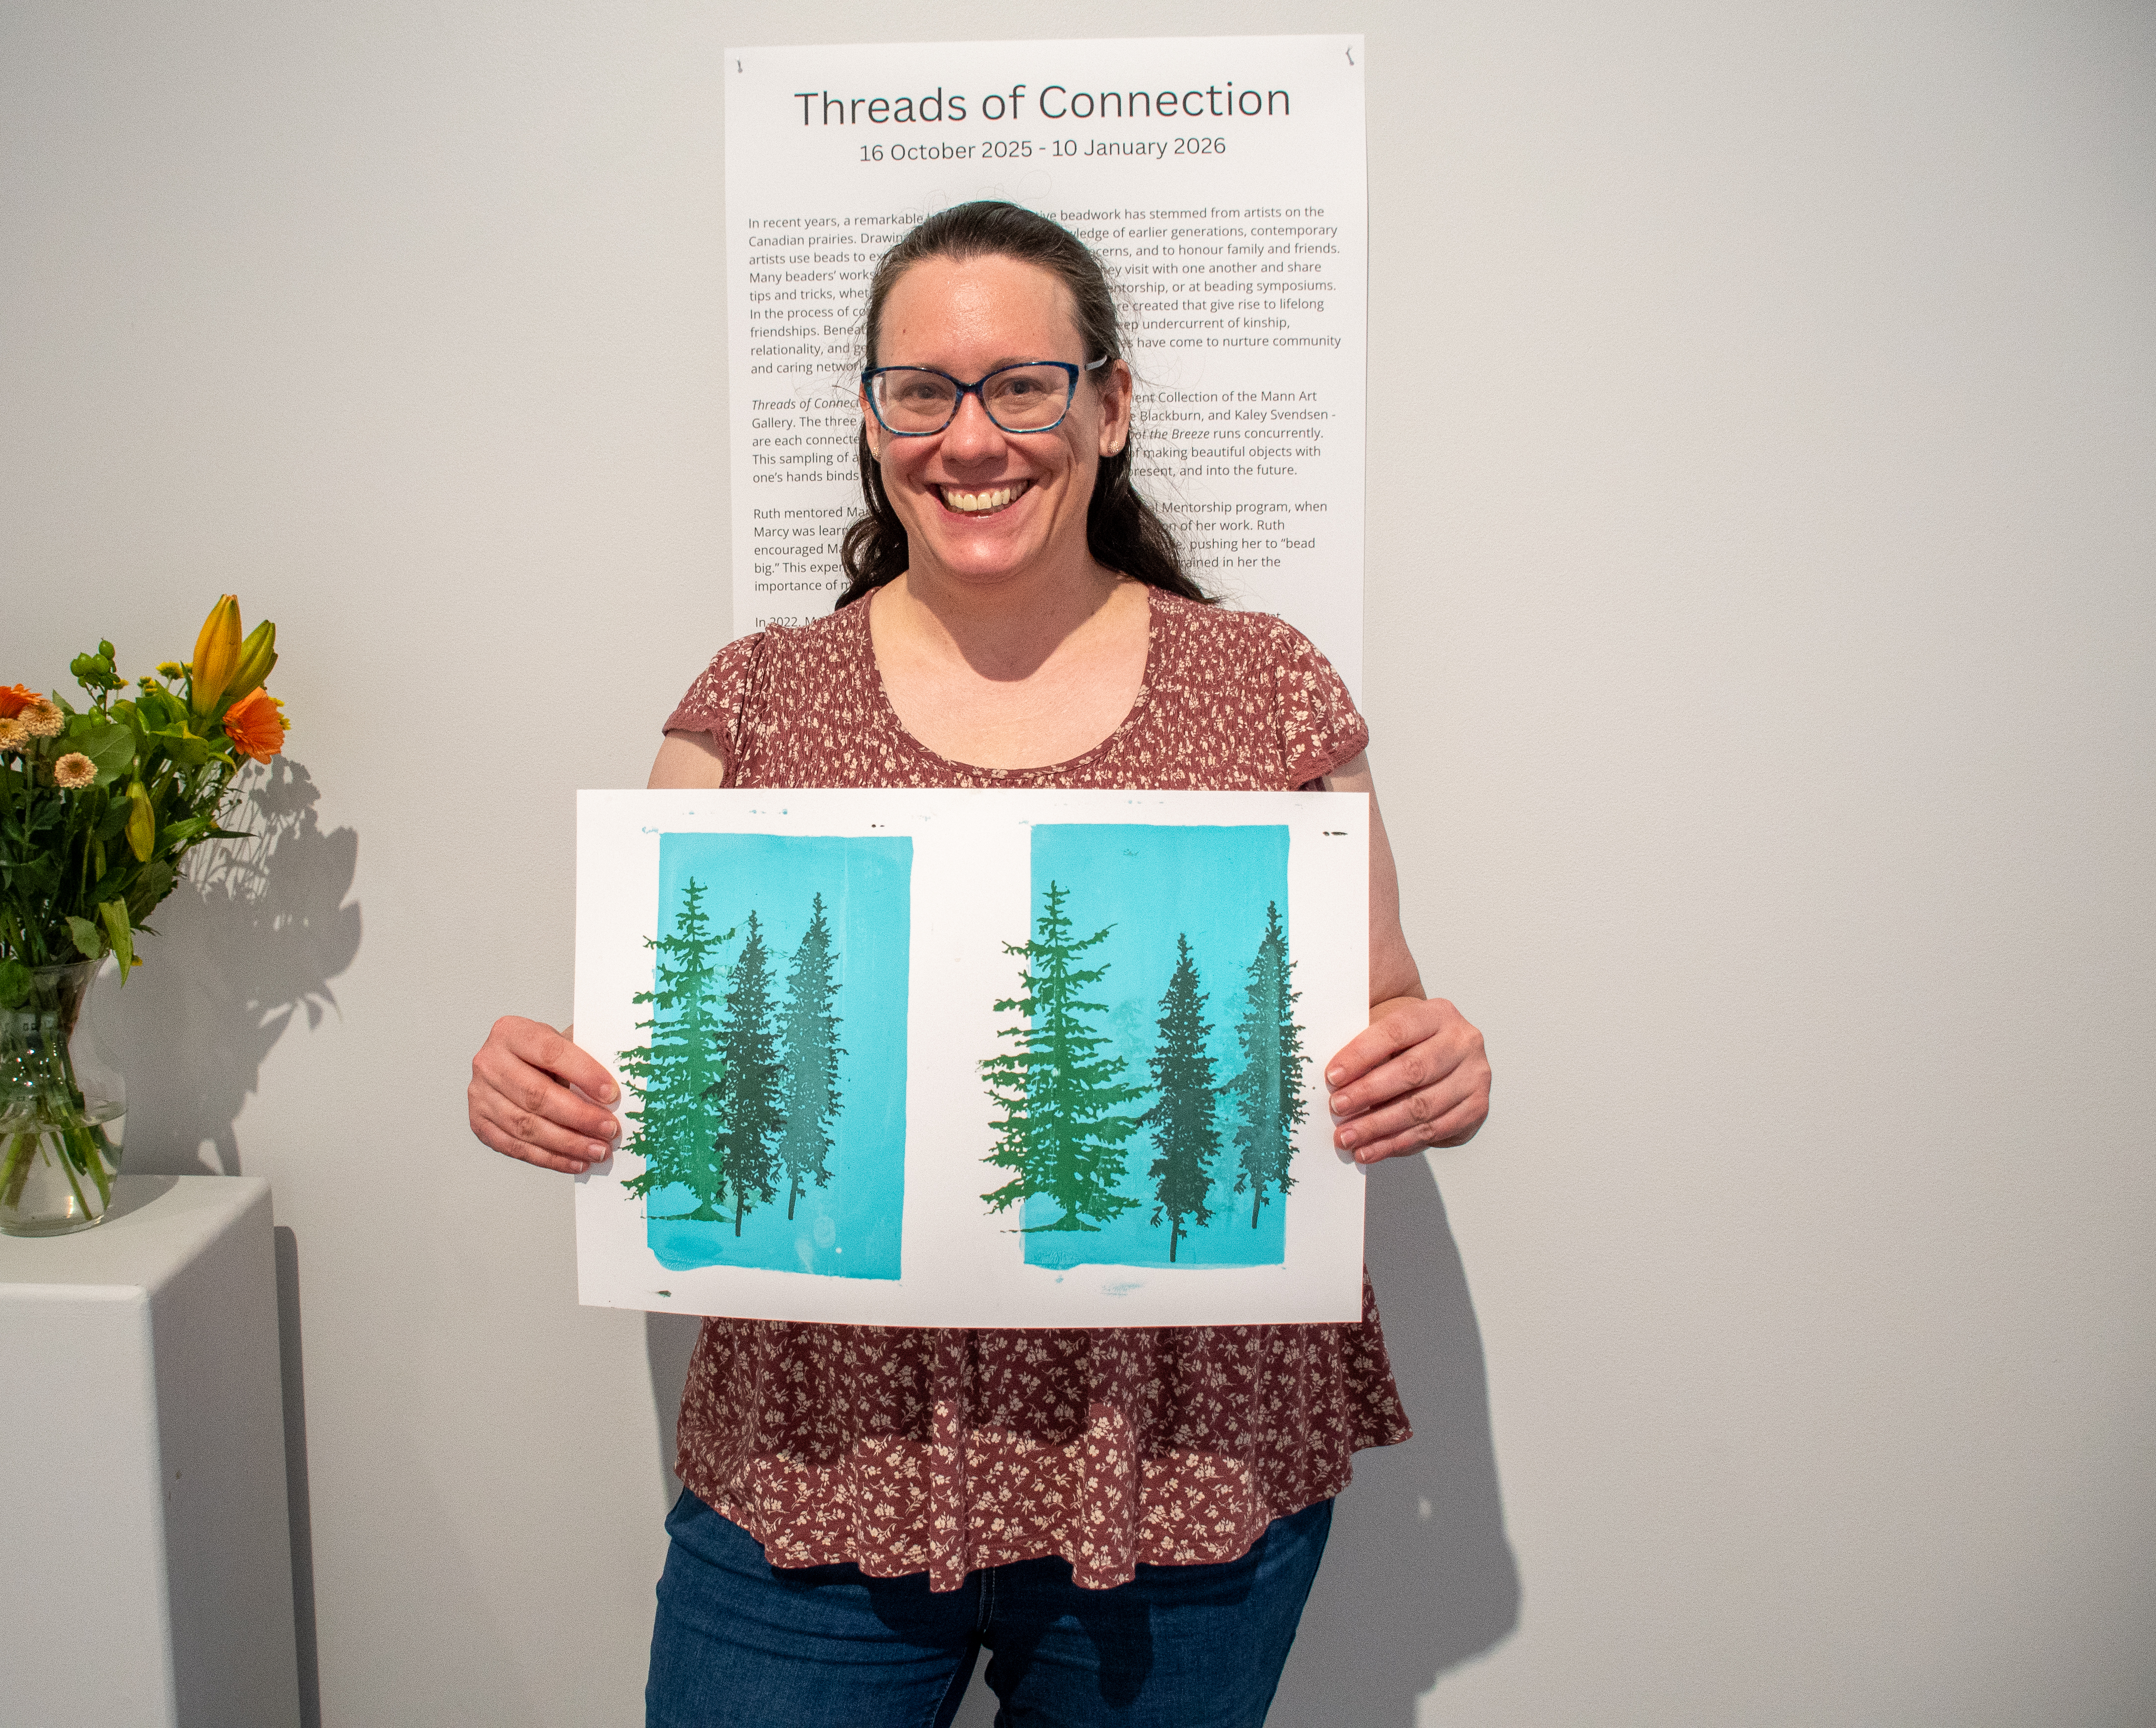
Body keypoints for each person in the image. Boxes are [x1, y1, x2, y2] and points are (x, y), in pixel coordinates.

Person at [468, 199, 1490, 1728]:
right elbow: (648, 1056)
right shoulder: (754, 702)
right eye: (923, 391)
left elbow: (1381, 1004)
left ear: (1110, 404)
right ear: (874, 421)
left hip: (1190, 1466)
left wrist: (1434, 1061)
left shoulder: (1263, 683)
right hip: (822, 1466)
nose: (972, 437)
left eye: (1023, 384)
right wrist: (538, 1091)